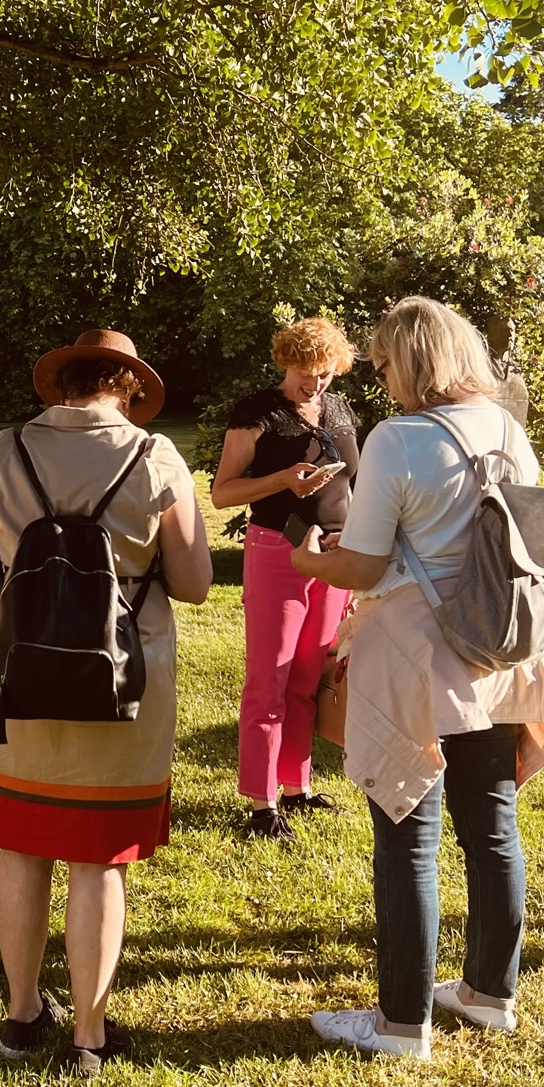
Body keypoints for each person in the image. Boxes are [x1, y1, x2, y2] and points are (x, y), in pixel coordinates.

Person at [290, 297, 544, 1060]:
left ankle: (399, 1024)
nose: (382, 379)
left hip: (417, 650)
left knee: (407, 833)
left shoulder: (400, 439)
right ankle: (490, 993)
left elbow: (362, 563)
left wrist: (307, 558)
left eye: (385, 363)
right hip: (496, 644)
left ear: (415, 360)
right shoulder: (507, 429)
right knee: (491, 823)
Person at [0, 330, 212, 1073]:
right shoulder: (155, 457)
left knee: (23, 847)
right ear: (128, 389)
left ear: (62, 383)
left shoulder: (4, 449)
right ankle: (89, 1037)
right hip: (122, 686)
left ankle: (20, 1014)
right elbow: (194, 584)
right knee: (99, 860)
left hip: (16, 683)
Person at [210, 317, 360, 839]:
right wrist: (280, 481)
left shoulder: (338, 409)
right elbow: (223, 492)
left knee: (306, 677)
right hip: (278, 548)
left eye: (325, 374)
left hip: (335, 555)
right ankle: (259, 802)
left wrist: (359, 537)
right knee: (268, 680)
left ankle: (295, 788)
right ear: (284, 362)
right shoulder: (258, 412)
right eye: (305, 372)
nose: (314, 384)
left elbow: (357, 483)